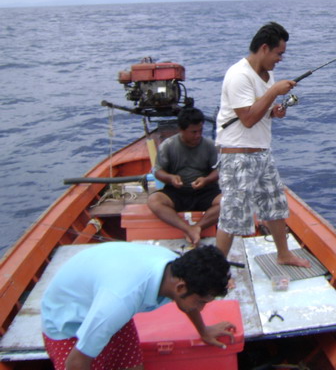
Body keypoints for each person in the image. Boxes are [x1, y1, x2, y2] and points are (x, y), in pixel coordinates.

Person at [41, 242, 235, 370]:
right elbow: (76, 362)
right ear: (181, 287)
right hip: (68, 323)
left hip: (105, 306)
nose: (200, 309)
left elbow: (188, 301)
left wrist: (203, 331)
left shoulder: (174, 269)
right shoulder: (119, 302)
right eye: (201, 302)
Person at [215, 22, 310, 268]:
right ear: (265, 48)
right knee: (233, 217)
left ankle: (284, 254)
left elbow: (258, 112)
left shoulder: (268, 76)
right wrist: (274, 93)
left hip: (262, 153)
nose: (280, 59)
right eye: (279, 54)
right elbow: (246, 119)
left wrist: (273, 112)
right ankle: (214, 271)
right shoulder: (238, 75)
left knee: (275, 204)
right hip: (238, 156)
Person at [148, 107, 220, 246]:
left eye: (200, 131)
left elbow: (218, 171)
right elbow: (158, 171)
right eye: (193, 132)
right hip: (177, 192)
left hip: (204, 191)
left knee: (227, 202)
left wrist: (206, 180)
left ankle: (198, 227)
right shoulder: (168, 146)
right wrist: (171, 178)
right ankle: (188, 229)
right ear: (181, 130)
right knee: (154, 201)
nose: (198, 135)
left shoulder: (209, 145)